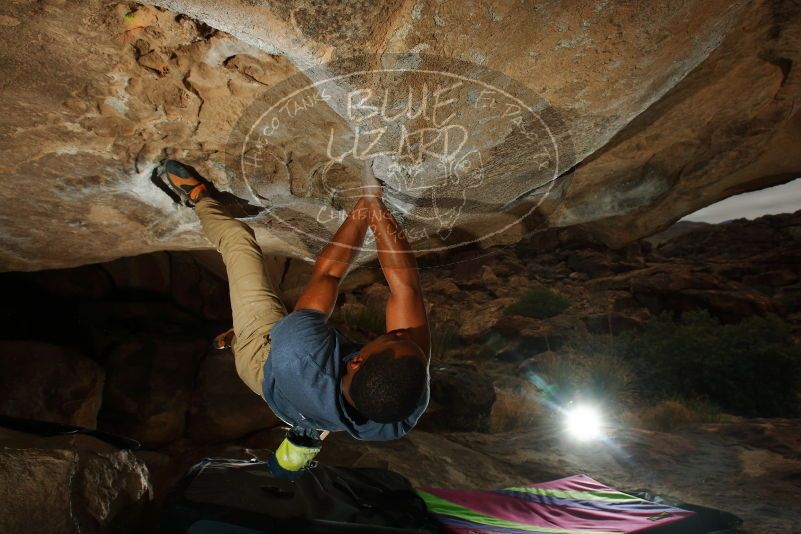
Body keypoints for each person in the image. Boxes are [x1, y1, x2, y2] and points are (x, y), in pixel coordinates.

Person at [158, 159, 430, 466]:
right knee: (300, 328)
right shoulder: (399, 411)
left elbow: (327, 275)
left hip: (262, 360)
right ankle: (254, 338)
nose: (403, 332)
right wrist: (373, 205)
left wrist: (365, 205)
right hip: (309, 393)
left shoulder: (301, 354)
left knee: (239, 241)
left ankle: (199, 198)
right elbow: (406, 289)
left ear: (357, 361)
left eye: (394, 335)